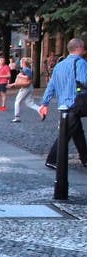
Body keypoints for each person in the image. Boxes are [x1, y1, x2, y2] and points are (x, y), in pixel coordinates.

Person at [39, 38, 87, 169]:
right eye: (84, 48)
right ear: (80, 48)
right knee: (65, 134)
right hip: (75, 104)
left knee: (77, 133)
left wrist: (44, 103)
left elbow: (51, 86)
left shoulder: (59, 65)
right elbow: (85, 82)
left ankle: (85, 158)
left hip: (63, 105)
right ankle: (52, 159)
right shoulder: (81, 63)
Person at [8, 58, 41, 123]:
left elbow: (28, 78)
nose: (20, 64)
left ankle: (17, 117)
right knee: (29, 103)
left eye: (20, 62)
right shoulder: (27, 69)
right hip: (29, 87)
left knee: (17, 101)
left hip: (25, 88)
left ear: (23, 63)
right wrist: (12, 84)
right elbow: (23, 80)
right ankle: (40, 109)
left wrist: (19, 75)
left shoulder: (25, 69)